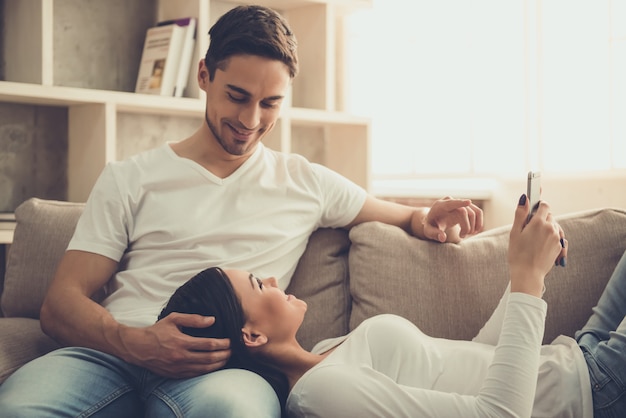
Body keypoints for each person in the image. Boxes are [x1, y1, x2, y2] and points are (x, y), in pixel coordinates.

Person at [0, 4, 483, 418]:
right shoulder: (131, 177)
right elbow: (60, 304)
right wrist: (137, 342)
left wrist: (428, 218)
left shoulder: (306, 181)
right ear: (205, 76)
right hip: (110, 353)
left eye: (270, 103)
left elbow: (399, 216)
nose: (251, 122)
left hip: (225, 372)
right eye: (237, 97)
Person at [158, 196, 626, 417]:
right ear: (252, 335)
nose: (275, 279)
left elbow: (474, 362)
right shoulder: (322, 397)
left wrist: (523, 272)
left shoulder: (328, 350)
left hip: (576, 357)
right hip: (593, 395)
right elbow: (499, 415)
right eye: (259, 283)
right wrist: (529, 281)